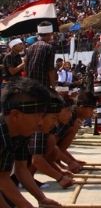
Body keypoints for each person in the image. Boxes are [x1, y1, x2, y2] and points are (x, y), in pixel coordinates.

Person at [0, 77, 59, 208]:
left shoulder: (20, 134)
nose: (40, 122)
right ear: (15, 115)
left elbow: (19, 169)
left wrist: (41, 198)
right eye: (37, 116)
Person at [24, 21, 57, 88]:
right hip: (42, 86)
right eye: (51, 34)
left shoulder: (30, 47)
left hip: (31, 84)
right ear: (49, 34)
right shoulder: (49, 47)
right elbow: (50, 69)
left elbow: (25, 66)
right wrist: (54, 87)